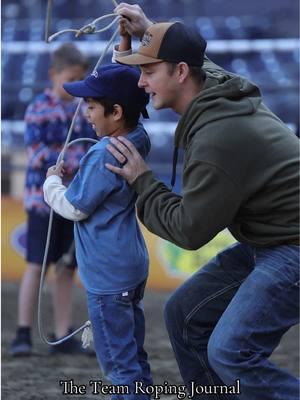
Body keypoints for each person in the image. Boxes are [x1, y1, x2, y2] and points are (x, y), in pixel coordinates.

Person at [104, 4, 300, 400]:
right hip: (271, 238)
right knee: (184, 316)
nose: (140, 83)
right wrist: (149, 31)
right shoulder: (212, 84)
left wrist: (143, 180)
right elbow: (196, 58)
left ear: (179, 73)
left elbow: (189, 230)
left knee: (230, 353)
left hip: (293, 245)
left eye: (148, 71)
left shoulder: (217, 137)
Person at [43, 62, 153, 397]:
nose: (86, 113)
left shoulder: (102, 152)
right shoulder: (139, 137)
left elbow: (74, 207)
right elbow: (128, 85)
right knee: (133, 355)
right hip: (130, 267)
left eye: (91, 106)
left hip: (108, 275)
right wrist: (122, 46)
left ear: (116, 111)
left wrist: (52, 183)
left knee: (120, 368)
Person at [10, 43, 96, 357]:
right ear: (53, 74)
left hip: (73, 202)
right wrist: (74, 163)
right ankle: (22, 333)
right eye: (69, 79)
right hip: (43, 202)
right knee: (36, 266)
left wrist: (76, 163)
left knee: (66, 268)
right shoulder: (38, 108)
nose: (74, 87)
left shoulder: (83, 109)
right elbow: (37, 156)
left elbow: (90, 147)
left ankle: (62, 334)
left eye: (79, 80)